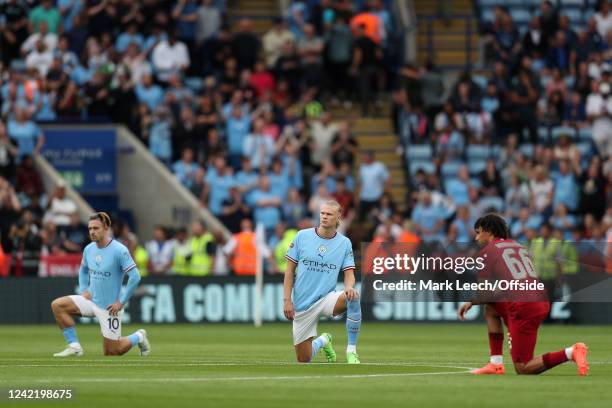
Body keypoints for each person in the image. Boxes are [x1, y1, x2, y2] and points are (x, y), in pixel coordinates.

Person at [457, 213, 588, 375]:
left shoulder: (486, 252)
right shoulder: (519, 246)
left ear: (489, 231)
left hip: (523, 307)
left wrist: (472, 301)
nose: (476, 238)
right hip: (540, 300)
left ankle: (571, 352)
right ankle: (495, 364)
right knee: (491, 309)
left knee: (523, 367)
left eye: (478, 232)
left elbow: (484, 294)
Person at [50, 212, 150, 357]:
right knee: (58, 305)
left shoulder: (119, 250)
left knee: (112, 352)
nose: (92, 232)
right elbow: (83, 270)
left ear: (106, 228)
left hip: (109, 308)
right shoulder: (89, 249)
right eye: (90, 228)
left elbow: (135, 276)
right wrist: (84, 289)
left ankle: (139, 336)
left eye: (96, 228)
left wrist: (121, 302)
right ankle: (74, 346)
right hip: (91, 301)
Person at [283, 200, 360, 364]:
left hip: (326, 299)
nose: (324, 217)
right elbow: (289, 271)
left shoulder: (344, 243)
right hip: (302, 304)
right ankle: (324, 340)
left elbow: (349, 273)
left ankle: (351, 351)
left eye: (329, 214)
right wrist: (287, 300)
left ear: (338, 217)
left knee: (353, 297)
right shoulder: (302, 236)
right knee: (304, 359)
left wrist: (348, 287)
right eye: (322, 213)